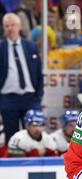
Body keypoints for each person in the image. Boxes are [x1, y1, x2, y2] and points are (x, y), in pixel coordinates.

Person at [0, 13, 43, 145]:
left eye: (13, 25)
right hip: (8, 98)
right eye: (7, 26)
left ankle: (35, 162)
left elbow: (38, 72)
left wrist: (39, 95)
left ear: (19, 26)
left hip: (30, 98)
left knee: (33, 135)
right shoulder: (1, 48)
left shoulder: (30, 46)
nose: (10, 28)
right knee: (12, 137)